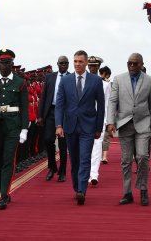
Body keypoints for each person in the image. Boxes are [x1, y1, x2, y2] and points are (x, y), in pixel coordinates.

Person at [106, 53, 151, 206]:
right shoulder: (118, 79)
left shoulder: (149, 81)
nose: (132, 66)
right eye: (129, 63)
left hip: (143, 124)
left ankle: (143, 188)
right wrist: (110, 122)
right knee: (126, 160)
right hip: (124, 124)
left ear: (142, 64)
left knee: (143, 156)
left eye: (135, 63)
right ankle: (127, 192)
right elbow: (113, 101)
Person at [55, 50, 105, 205]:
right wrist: (58, 125)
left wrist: (98, 127)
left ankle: (82, 190)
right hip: (70, 126)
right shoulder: (65, 81)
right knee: (75, 160)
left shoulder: (96, 81)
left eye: (80, 62)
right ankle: (77, 187)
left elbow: (101, 106)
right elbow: (60, 105)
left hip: (88, 127)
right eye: (75, 61)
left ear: (86, 63)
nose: (77, 64)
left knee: (84, 158)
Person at [0, 48, 29, 210]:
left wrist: (24, 128)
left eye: (7, 63)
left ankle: (3, 195)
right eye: (1, 63)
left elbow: (24, 106)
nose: (4, 66)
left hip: (13, 125)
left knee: (8, 160)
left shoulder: (20, 83)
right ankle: (3, 190)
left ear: (12, 64)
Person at [37, 55, 69, 182]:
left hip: (65, 114)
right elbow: (43, 97)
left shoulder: (72, 78)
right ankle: (52, 167)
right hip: (51, 111)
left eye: (65, 63)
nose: (63, 65)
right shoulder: (50, 77)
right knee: (48, 139)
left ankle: (62, 171)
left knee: (63, 144)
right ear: (57, 64)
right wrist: (40, 115)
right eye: (61, 63)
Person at [87, 56, 111, 185]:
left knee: (97, 147)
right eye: (90, 66)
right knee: (86, 148)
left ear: (98, 67)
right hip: (85, 119)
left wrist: (107, 121)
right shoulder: (82, 81)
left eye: (95, 66)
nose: (92, 68)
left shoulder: (106, 85)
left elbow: (107, 104)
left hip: (99, 119)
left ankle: (94, 174)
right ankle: (86, 172)